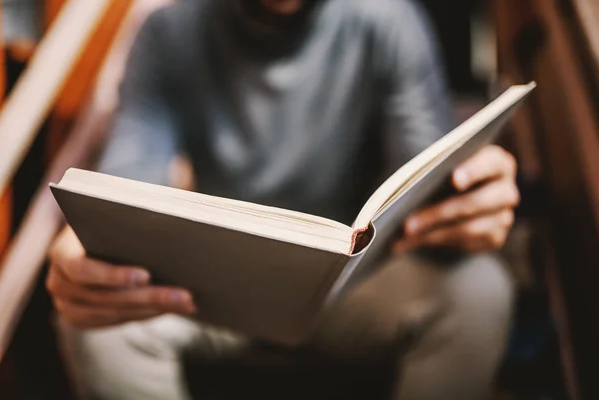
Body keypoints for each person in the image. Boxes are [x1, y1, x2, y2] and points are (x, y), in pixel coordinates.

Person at [46, 0, 520, 399]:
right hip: (214, 287)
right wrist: (81, 248)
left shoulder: (387, 21)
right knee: (97, 318)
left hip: (352, 287)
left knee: (478, 290)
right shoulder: (169, 31)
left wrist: (471, 194)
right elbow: (124, 182)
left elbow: (424, 177)